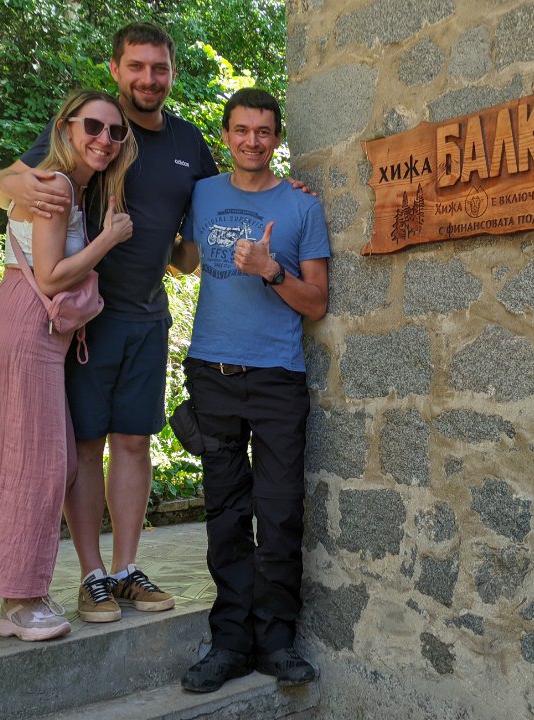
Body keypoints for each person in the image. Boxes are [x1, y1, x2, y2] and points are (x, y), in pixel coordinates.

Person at [0, 22, 216, 622]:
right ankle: (91, 575)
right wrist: (5, 182)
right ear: (116, 70)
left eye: (159, 67)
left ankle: (125, 569)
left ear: (172, 71)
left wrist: (272, 197)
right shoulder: (96, 128)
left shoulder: (191, 144)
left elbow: (201, 233)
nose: (149, 79)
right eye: (136, 67)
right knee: (85, 446)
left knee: (136, 443)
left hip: (149, 315)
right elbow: (9, 180)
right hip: (83, 320)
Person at [0, 89, 137, 642]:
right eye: (93, 126)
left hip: (26, 331)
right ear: (65, 127)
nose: (104, 139)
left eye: (116, 132)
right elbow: (49, 276)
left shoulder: (67, 186)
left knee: (52, 465)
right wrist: (108, 240)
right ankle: (20, 603)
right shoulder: (58, 185)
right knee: (38, 468)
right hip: (23, 330)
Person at [177, 88, 329, 693]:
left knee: (280, 511)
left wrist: (270, 270)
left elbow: (316, 303)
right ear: (227, 135)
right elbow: (183, 257)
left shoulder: (300, 207)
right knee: (225, 514)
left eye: (263, 131)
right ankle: (230, 643)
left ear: (276, 137)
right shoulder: (203, 194)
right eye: (241, 130)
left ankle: (278, 640)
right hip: (211, 373)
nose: (252, 141)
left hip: (276, 379)